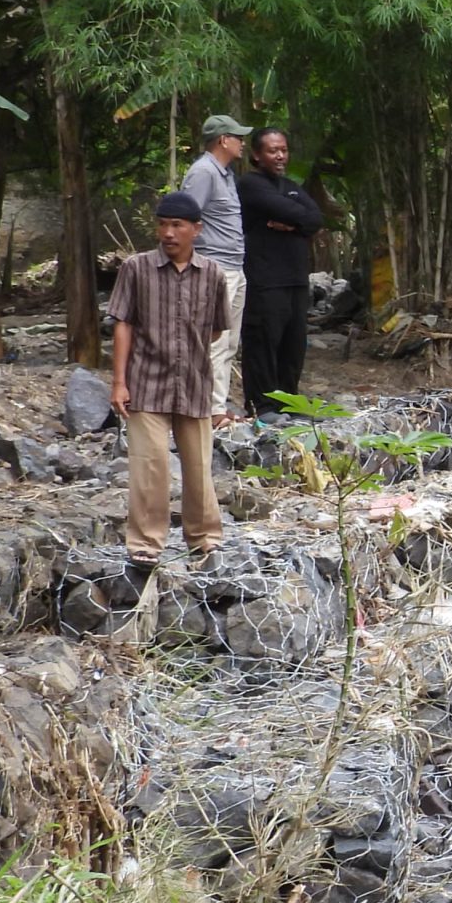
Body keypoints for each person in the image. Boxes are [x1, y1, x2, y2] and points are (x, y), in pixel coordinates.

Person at [109, 192, 231, 579]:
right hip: (146, 382)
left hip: (194, 383)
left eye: (177, 225)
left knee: (199, 466)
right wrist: (119, 382)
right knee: (150, 466)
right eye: (162, 224)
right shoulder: (136, 268)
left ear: (197, 229)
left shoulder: (212, 274)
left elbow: (216, 330)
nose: (168, 233)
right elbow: (123, 324)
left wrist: (186, 350)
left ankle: (204, 537)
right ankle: (145, 544)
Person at [235, 125, 324, 416]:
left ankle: (289, 402)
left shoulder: (291, 186)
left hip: (296, 278)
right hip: (265, 278)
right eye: (273, 151)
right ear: (256, 155)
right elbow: (293, 212)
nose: (280, 156)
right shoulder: (250, 184)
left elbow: (315, 218)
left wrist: (293, 224)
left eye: (283, 150)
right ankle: (262, 405)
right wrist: (298, 221)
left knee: (293, 344)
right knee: (263, 342)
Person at [181, 113, 251, 416]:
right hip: (215, 266)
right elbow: (185, 218)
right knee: (214, 340)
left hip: (234, 265)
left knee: (230, 341)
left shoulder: (224, 174)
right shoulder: (203, 172)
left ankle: (217, 407)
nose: (243, 143)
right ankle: (206, 409)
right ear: (223, 140)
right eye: (238, 137)